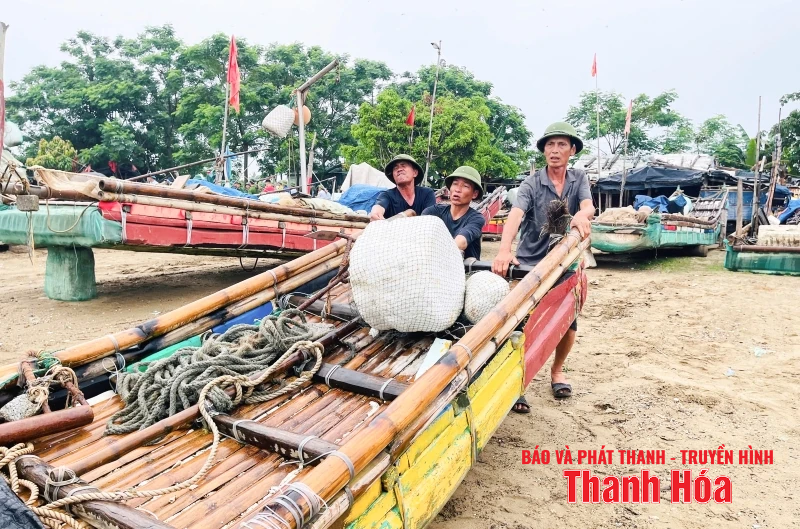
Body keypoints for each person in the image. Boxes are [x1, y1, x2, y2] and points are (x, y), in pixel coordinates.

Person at [492, 122, 595, 407]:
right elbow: (515, 214)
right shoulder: (532, 182)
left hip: (564, 260)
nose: (555, 150)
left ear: (572, 150)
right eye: (550, 145)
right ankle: (517, 379)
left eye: (561, 144)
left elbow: (589, 206)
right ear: (543, 151)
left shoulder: (579, 178)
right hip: (530, 261)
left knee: (568, 321)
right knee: (521, 323)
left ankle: (557, 370)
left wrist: (580, 216)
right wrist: (503, 250)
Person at [422, 166, 486, 260]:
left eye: (465, 186)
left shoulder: (476, 218)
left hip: (465, 271)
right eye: (455, 184)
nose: (458, 189)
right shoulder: (433, 212)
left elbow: (461, 242)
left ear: (474, 194)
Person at [370, 154, 435, 220]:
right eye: (395, 168)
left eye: (403, 166)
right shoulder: (386, 195)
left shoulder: (427, 194)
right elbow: (379, 206)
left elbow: (430, 219)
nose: (399, 169)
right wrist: (376, 213)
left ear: (415, 173)